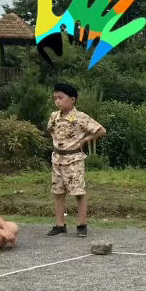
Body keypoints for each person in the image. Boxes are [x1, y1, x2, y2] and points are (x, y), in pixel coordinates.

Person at [46, 83, 106, 238]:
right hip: (57, 158)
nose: (57, 101)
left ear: (72, 99)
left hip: (74, 159)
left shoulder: (80, 117)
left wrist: (86, 139)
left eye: (61, 98)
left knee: (78, 192)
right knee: (58, 192)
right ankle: (60, 225)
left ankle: (82, 224)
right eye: (55, 98)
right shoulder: (54, 116)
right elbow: (51, 130)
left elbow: (101, 130)